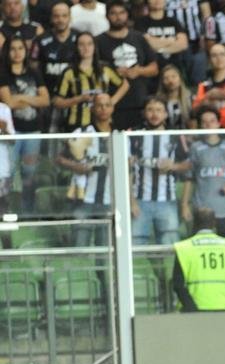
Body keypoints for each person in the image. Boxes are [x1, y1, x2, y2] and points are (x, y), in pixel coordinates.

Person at [56, 91, 112, 247]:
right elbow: (59, 158)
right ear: (92, 109)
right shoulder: (81, 132)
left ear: (112, 108)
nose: (103, 109)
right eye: (99, 105)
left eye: (107, 105)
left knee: (106, 249)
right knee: (80, 247)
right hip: (83, 199)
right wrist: (76, 166)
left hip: (110, 199)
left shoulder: (119, 134)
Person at [130, 96, 188, 246]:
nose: (154, 114)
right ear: (144, 113)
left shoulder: (175, 135)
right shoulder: (134, 135)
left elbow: (189, 164)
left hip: (167, 200)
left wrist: (173, 166)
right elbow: (127, 170)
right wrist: (131, 202)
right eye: (150, 110)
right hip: (140, 200)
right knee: (136, 244)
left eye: (159, 110)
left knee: (169, 245)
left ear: (166, 114)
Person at [0, 36, 48, 213]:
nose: (17, 52)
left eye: (20, 48)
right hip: (12, 132)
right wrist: (33, 100)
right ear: (7, 51)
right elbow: (8, 103)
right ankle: (10, 211)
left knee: (30, 171)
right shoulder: (2, 74)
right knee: (10, 172)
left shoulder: (34, 72)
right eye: (13, 48)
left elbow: (45, 100)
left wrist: (21, 97)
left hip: (33, 130)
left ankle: (29, 211)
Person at [182, 104, 225, 239]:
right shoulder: (195, 148)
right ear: (200, 126)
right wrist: (185, 205)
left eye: (212, 121)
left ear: (218, 124)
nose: (208, 125)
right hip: (202, 210)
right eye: (204, 122)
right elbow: (189, 178)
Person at [94, 0, 157, 129]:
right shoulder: (99, 41)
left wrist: (139, 71)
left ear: (127, 14)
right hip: (112, 103)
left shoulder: (139, 38)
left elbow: (154, 68)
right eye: (113, 13)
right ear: (107, 16)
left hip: (139, 100)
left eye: (121, 12)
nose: (118, 17)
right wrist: (112, 73)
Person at [170, 208, 225, 312]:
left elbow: (178, 284)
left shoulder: (184, 248)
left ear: (194, 223)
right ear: (214, 223)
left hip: (194, 310)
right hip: (224, 308)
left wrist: (191, 308)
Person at [55, 31, 125, 130]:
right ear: (76, 47)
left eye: (89, 44)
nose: (86, 48)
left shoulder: (105, 68)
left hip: (102, 124)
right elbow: (57, 102)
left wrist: (111, 102)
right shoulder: (69, 72)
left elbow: (124, 84)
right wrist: (78, 99)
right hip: (77, 125)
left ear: (94, 47)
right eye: (81, 44)